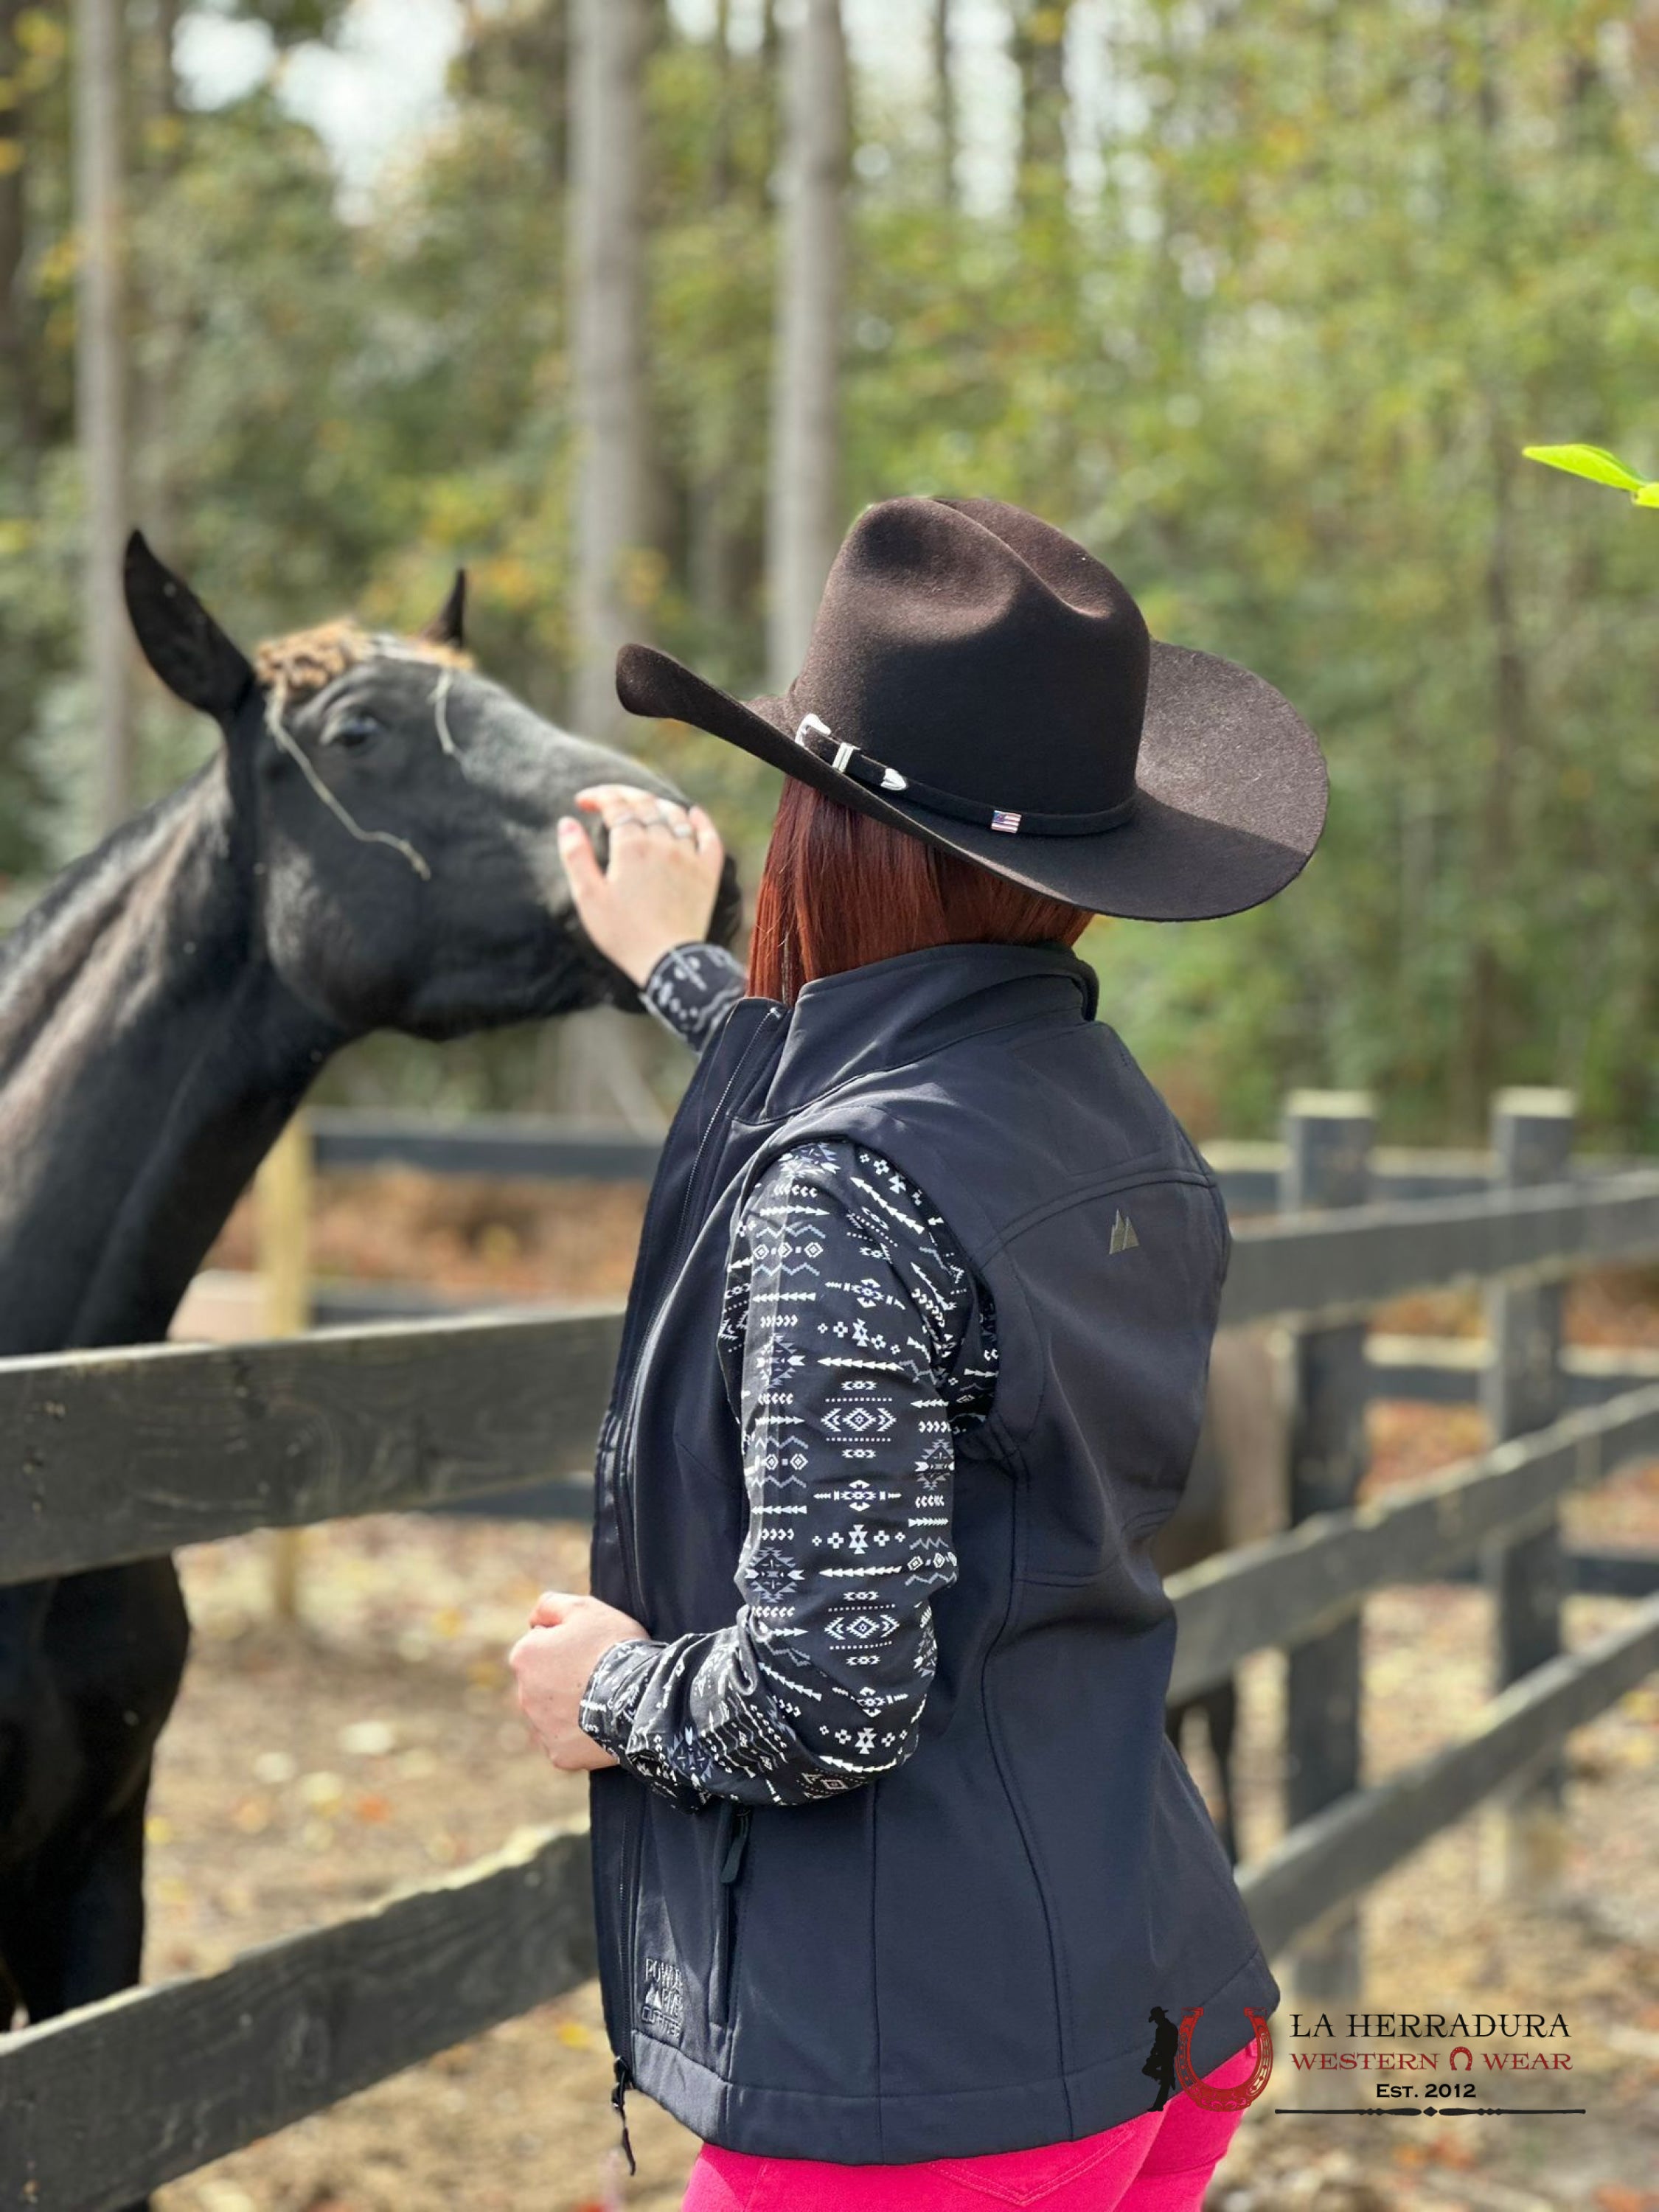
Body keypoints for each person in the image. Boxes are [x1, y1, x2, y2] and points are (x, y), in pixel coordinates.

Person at [509, 496, 1326, 2210]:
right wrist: (678, 965)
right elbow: (864, 1103)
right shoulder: (1112, 1125)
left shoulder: (845, 1195)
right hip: (1152, 1987)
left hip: (925, 2080)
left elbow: (827, 1697)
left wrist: (603, 1690)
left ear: (831, 833)